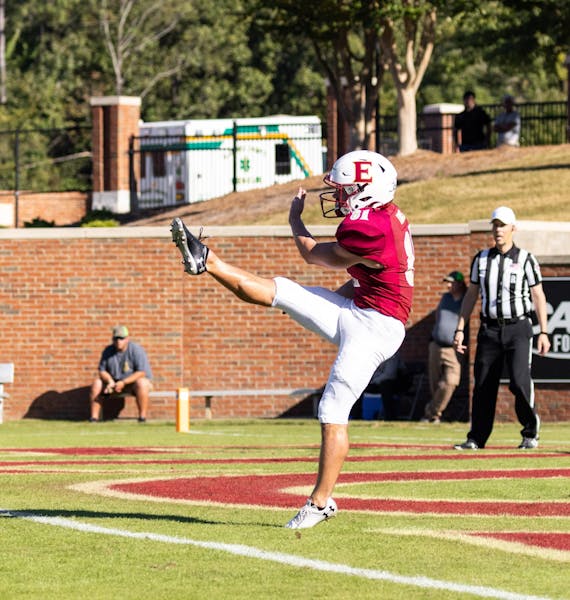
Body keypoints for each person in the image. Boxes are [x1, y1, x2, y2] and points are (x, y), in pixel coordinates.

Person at [170, 149, 414, 529]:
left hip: (376, 326)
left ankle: (320, 503)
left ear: (367, 189)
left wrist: (294, 219)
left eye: (345, 190)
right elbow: (363, 274)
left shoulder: (371, 226)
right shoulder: (381, 217)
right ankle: (207, 260)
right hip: (360, 304)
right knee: (282, 291)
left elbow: (312, 254)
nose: (338, 197)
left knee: (332, 409)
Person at [453, 206, 550, 450]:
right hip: (489, 329)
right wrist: (460, 328)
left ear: (513, 228)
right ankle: (476, 437)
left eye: (503, 225)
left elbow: (538, 296)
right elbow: (471, 295)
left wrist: (544, 331)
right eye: (495, 225)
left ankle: (530, 432)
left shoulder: (526, 259)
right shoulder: (481, 259)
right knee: (484, 384)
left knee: (519, 381)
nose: (498, 229)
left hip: (518, 328)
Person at [422, 271, 467, 423]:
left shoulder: (466, 300)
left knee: (450, 381)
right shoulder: (445, 298)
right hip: (435, 345)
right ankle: (435, 417)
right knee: (434, 383)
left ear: (459, 283)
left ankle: (431, 411)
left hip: (453, 349)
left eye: (451, 282)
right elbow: (438, 317)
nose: (448, 285)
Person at [89, 325, 153, 423]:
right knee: (97, 383)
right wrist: (110, 381)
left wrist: (123, 382)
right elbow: (102, 371)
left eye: (122, 338)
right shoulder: (108, 351)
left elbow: (141, 372)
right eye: (116, 338)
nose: (119, 341)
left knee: (142, 383)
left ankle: (142, 418)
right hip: (114, 383)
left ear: (127, 339)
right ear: (113, 339)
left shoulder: (136, 350)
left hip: (133, 384)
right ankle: (94, 418)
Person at [361, 351, 410, 420]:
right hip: (377, 381)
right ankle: (356, 417)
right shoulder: (372, 354)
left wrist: (373, 381)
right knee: (359, 387)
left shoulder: (392, 352)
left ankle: (389, 418)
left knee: (386, 386)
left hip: (397, 382)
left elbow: (390, 374)